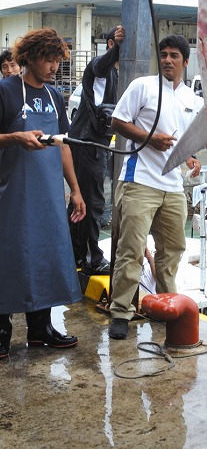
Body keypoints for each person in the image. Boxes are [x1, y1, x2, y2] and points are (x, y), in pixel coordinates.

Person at [108, 35, 202, 340]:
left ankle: (166, 306)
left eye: (175, 55)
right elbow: (117, 121)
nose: (167, 60)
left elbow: (185, 142)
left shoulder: (192, 99)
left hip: (174, 187)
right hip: (140, 181)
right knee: (131, 250)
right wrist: (149, 137)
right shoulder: (143, 87)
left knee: (172, 250)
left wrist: (192, 160)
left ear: (186, 62)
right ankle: (121, 312)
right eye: (163, 54)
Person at [0, 27, 86, 358]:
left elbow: (63, 146)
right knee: (11, 255)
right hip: (13, 193)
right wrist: (15, 138)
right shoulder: (6, 91)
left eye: (57, 60)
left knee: (47, 253)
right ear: (30, 57)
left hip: (49, 192)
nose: (54, 66)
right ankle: (2, 330)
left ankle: (41, 329)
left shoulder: (54, 97)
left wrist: (75, 190)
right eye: (48, 59)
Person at [67, 25, 125, 275]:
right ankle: (90, 258)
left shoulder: (118, 76)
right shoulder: (100, 69)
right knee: (92, 201)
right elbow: (100, 66)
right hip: (87, 142)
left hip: (93, 143)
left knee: (81, 201)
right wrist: (119, 48)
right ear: (111, 45)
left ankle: (75, 254)